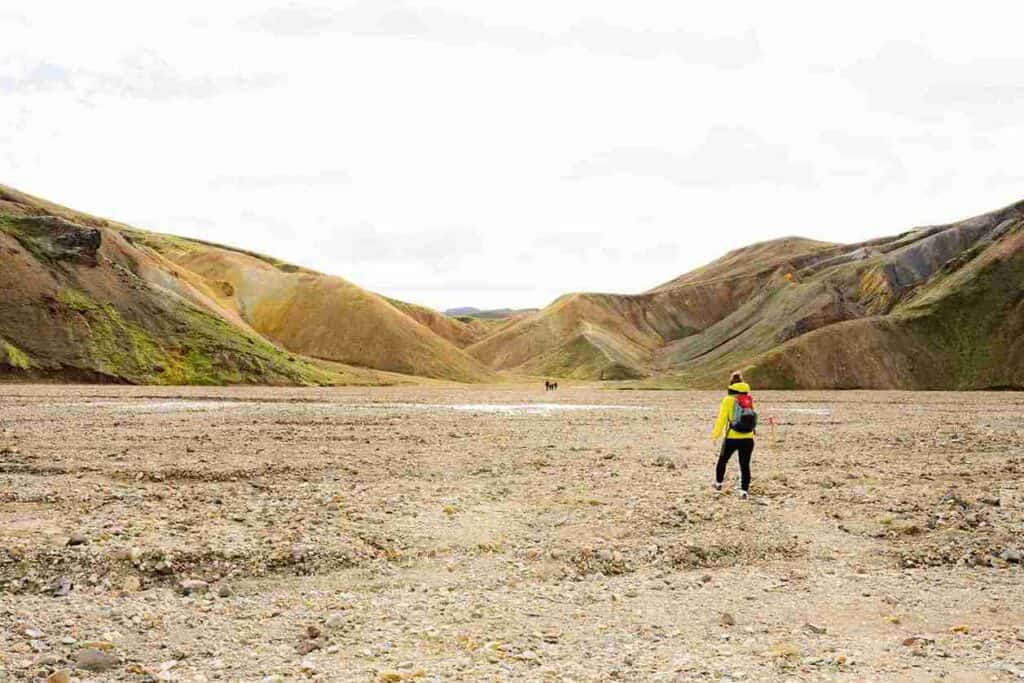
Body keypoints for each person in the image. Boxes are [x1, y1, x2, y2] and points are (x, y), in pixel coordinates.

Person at [711, 371, 756, 500]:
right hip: (748, 438)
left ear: (731, 385)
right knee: (745, 464)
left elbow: (722, 419)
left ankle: (719, 483)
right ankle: (744, 491)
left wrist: (716, 435)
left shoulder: (728, 400)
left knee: (723, 460)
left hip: (732, 437)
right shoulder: (748, 399)